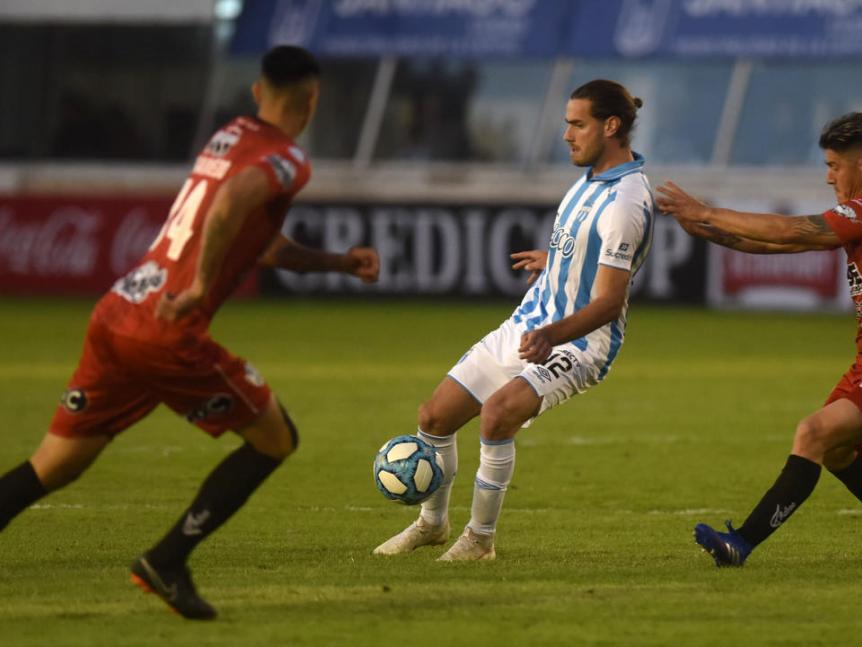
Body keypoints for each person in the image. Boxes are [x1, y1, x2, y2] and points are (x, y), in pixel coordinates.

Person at [0, 46, 380, 618]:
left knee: (56, 464)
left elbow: (253, 236)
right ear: (313, 98)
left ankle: (166, 560)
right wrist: (202, 286)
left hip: (118, 311)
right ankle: (167, 560)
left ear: (257, 92)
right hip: (165, 331)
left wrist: (337, 264)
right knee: (276, 439)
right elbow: (231, 203)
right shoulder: (288, 158)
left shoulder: (227, 136)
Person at [373, 79, 655, 561]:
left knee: (499, 414)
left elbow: (610, 301)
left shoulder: (626, 202)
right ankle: (432, 524)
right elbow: (592, 255)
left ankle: (479, 541)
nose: (566, 134)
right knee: (433, 417)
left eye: (577, 124)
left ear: (611, 126)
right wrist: (558, 261)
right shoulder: (589, 181)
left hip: (579, 343)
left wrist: (551, 335)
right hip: (530, 324)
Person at [655, 112, 862, 567]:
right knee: (836, 449)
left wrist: (707, 210)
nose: (829, 177)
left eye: (834, 166)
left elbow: (792, 229)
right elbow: (785, 245)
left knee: (813, 433)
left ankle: (740, 544)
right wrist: (710, 231)